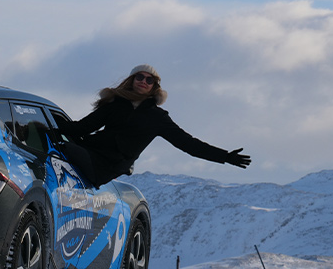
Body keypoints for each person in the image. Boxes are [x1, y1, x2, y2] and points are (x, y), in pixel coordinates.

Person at [59, 64, 251, 187]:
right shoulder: (113, 104)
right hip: (90, 150)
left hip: (108, 166)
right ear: (132, 80)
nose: (143, 81)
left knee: (64, 149)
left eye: (149, 79)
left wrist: (225, 157)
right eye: (139, 77)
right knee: (61, 148)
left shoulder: (157, 117)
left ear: (154, 86)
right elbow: (82, 128)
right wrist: (51, 127)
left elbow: (189, 144)